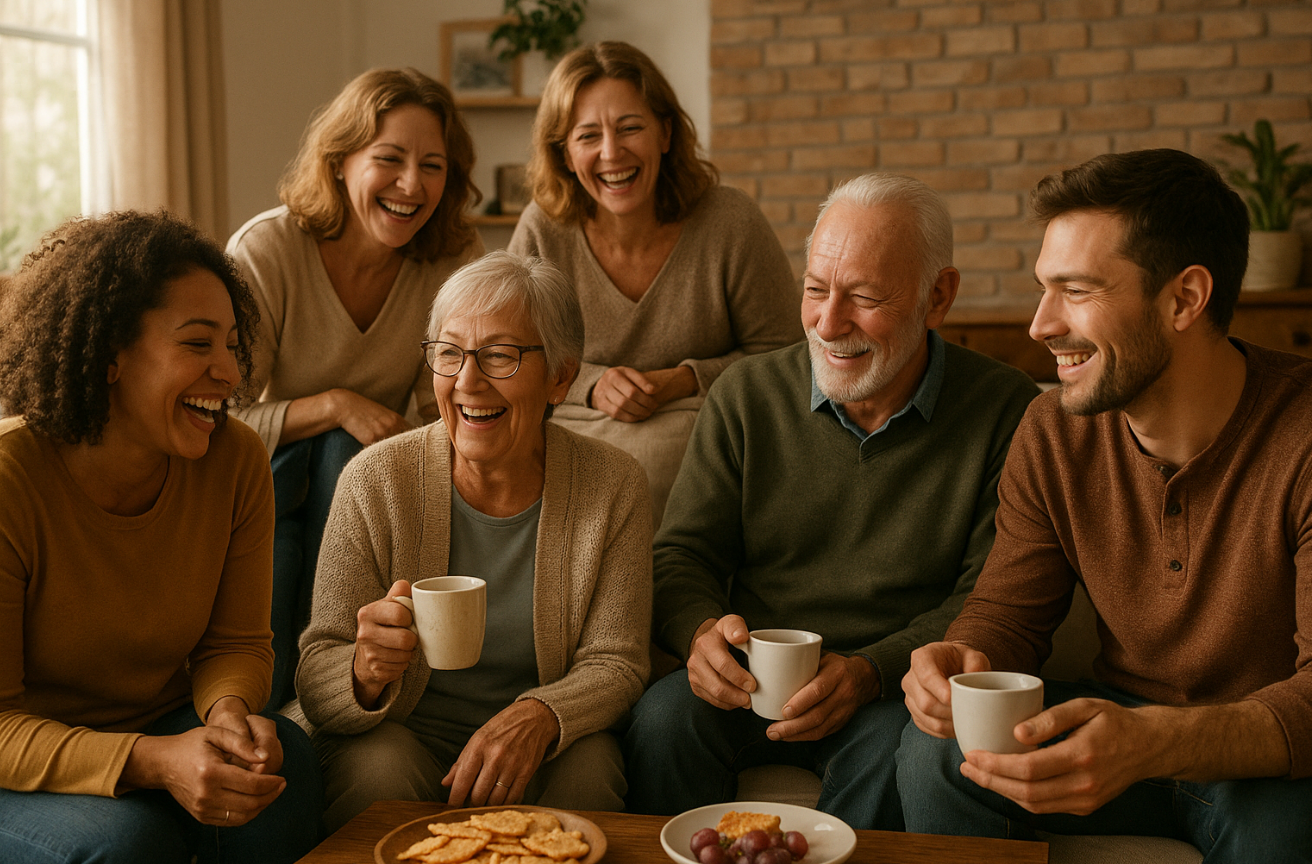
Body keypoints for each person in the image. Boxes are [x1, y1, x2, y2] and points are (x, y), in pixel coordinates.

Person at [898, 149, 1312, 862]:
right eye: (1042, 289)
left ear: (1184, 298)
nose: (1039, 325)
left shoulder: (1302, 435)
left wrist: (1153, 742)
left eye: (1076, 291)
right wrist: (964, 660)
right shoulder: (1052, 432)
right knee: (934, 757)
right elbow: (1007, 614)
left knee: (1286, 835)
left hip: (1262, 755)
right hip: (1114, 719)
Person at [623, 173, 1040, 828]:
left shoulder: (1007, 411)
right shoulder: (746, 394)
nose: (827, 321)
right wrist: (699, 632)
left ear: (939, 296)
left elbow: (989, 598)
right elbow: (682, 554)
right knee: (661, 720)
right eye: (815, 289)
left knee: (888, 757)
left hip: (889, 688)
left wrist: (870, 672)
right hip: (752, 677)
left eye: (865, 297)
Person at [0, 211, 322, 864]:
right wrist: (150, 761)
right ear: (111, 353)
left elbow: (234, 642)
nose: (231, 374)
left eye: (232, 345)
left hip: (162, 722)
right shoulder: (11, 480)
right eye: (198, 344)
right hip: (25, 758)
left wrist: (227, 713)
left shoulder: (235, 460)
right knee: (126, 845)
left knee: (291, 773)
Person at [295, 251, 652, 832]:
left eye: (500, 356)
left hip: (542, 734)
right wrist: (362, 671)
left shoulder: (612, 484)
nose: (467, 381)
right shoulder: (375, 479)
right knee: (379, 774)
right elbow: (316, 670)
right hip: (404, 732)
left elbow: (616, 660)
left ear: (561, 375)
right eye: (449, 353)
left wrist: (539, 715)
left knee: (591, 772)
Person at [227, 68, 484, 710]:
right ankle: (294, 694)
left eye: (433, 165)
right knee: (338, 448)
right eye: (389, 159)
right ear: (340, 163)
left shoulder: (450, 261)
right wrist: (338, 406)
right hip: (267, 481)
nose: (411, 185)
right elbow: (220, 413)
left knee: (352, 458)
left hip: (364, 478)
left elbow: (447, 404)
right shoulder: (270, 249)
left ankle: (316, 688)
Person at [508, 41, 801, 525]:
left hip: (700, 435)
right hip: (572, 432)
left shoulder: (730, 220)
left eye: (630, 128)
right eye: (587, 136)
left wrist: (684, 380)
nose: (611, 152)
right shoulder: (542, 227)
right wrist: (593, 382)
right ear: (563, 153)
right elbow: (511, 354)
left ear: (665, 133)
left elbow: (786, 357)